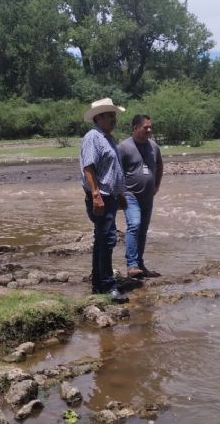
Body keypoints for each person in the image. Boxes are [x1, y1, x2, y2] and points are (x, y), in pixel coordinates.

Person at [80, 98, 129, 303]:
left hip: (110, 196)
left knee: (102, 239)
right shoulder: (93, 137)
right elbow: (88, 168)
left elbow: (112, 170)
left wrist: (120, 195)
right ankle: (108, 285)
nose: (113, 119)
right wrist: (96, 195)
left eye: (114, 115)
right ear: (98, 117)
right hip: (101, 196)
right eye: (109, 115)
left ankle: (99, 283)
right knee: (107, 239)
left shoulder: (107, 138)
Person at [118, 114, 163, 279]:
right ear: (135, 128)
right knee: (135, 225)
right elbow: (116, 171)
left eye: (151, 127)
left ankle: (140, 264)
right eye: (146, 127)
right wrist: (119, 193)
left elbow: (159, 167)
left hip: (147, 197)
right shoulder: (124, 147)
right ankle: (131, 265)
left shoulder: (154, 147)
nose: (149, 130)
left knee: (143, 231)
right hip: (130, 195)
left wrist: (157, 185)